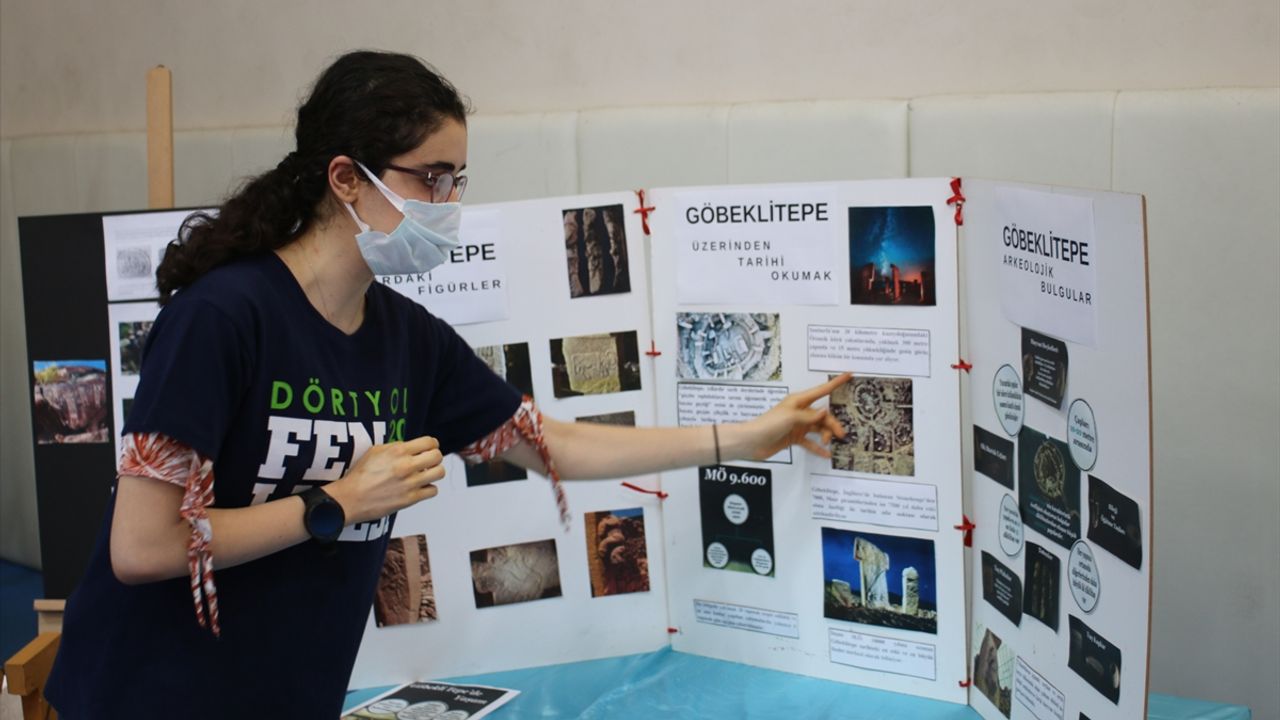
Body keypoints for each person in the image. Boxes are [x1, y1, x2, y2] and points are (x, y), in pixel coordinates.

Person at [43, 50, 849, 718]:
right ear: (346, 178)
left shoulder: (406, 337)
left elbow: (551, 444)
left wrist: (744, 436)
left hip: (284, 692)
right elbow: (142, 548)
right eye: (430, 178)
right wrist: (336, 505)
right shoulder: (225, 318)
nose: (449, 204)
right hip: (150, 692)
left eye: (458, 180)